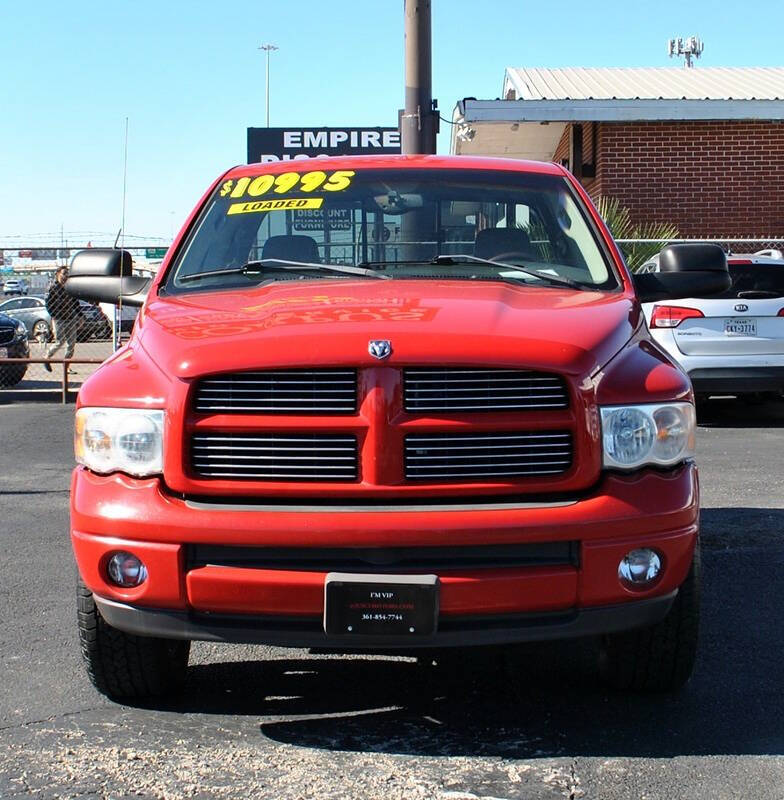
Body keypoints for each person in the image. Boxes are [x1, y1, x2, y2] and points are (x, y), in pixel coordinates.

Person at [43, 267, 82, 371]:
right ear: (58, 274)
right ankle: (47, 357)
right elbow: (48, 304)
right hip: (59, 319)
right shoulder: (53, 287)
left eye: (67, 274)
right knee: (59, 342)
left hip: (70, 318)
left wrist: (81, 315)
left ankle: (66, 367)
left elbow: (75, 303)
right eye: (64, 274)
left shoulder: (69, 287)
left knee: (71, 344)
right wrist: (55, 315)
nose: (66, 276)